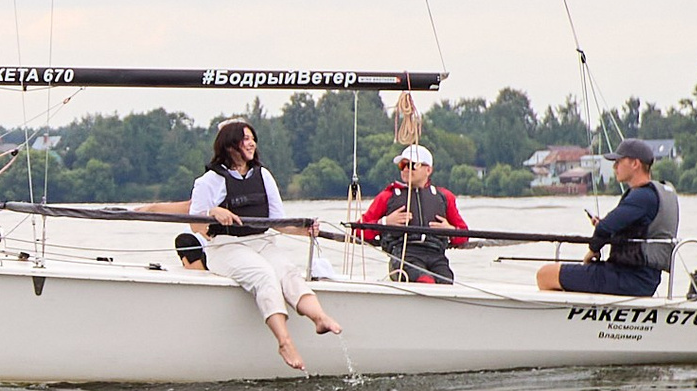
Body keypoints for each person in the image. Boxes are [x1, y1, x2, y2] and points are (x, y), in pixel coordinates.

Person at [165, 118, 340, 370]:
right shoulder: (208, 181)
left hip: (262, 241)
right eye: (245, 139)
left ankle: (319, 317)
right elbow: (196, 226)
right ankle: (284, 341)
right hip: (226, 246)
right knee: (264, 276)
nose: (251, 143)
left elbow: (277, 222)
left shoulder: (264, 176)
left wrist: (304, 230)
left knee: (287, 273)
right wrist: (214, 212)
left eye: (252, 138)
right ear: (229, 145)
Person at [536, 138, 683, 295]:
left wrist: (592, 251)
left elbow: (604, 228)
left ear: (635, 164)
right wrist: (605, 228)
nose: (614, 166)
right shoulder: (653, 194)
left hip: (628, 278)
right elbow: (629, 227)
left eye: (619, 161)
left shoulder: (642, 196)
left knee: (545, 275)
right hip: (644, 279)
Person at [357, 142, 470, 285]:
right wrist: (384, 223)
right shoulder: (388, 196)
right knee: (425, 280)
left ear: (428, 170)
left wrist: (451, 230)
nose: (405, 170)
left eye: (411, 165)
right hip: (404, 255)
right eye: (402, 166)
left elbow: (463, 236)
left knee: (446, 281)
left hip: (436, 255)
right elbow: (358, 231)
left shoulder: (444, 197)